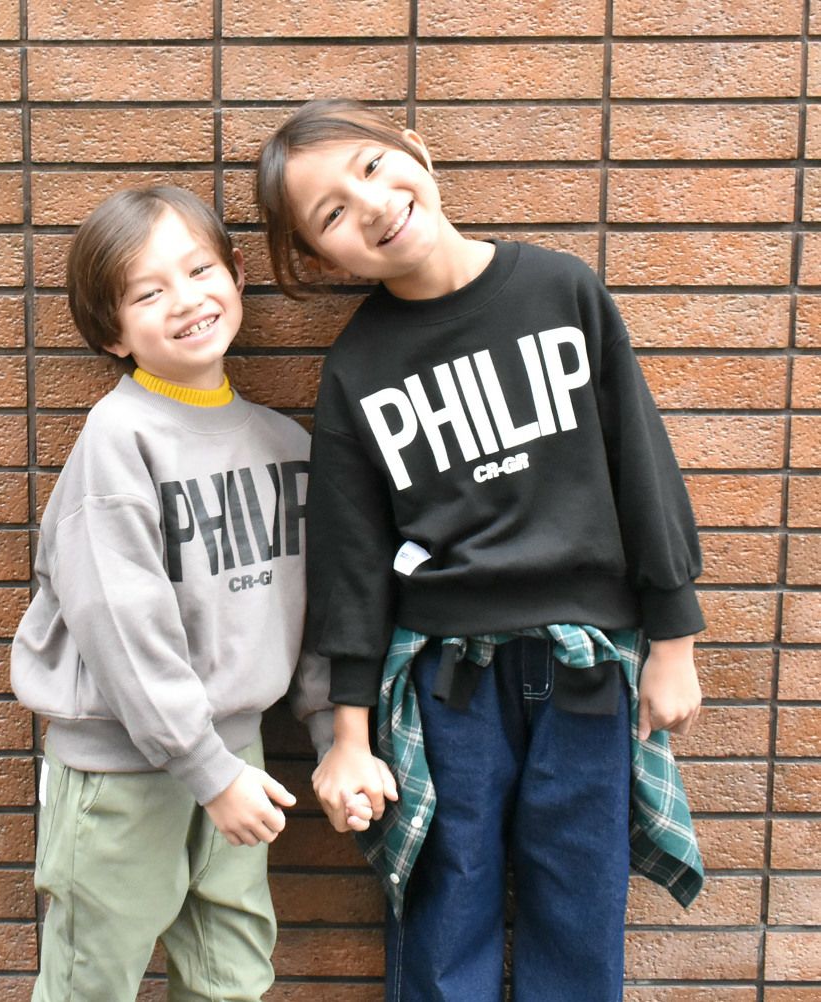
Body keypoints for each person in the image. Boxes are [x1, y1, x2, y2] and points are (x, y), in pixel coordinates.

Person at [256, 99, 706, 1002]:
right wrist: (350, 735)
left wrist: (674, 641)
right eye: (332, 213)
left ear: (416, 151)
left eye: (372, 167)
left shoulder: (561, 291)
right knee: (444, 908)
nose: (370, 205)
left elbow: (642, 466)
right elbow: (350, 561)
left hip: (586, 669)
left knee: (578, 907)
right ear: (323, 260)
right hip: (444, 683)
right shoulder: (358, 365)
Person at [10, 185, 332, 1002]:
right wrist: (205, 769)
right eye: (148, 292)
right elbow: (120, 623)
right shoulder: (118, 441)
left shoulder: (285, 446)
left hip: (240, 757)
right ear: (112, 333)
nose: (185, 300)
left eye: (199, 271)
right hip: (121, 772)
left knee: (232, 972)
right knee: (92, 979)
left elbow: (314, 609)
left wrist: (331, 734)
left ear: (238, 275)